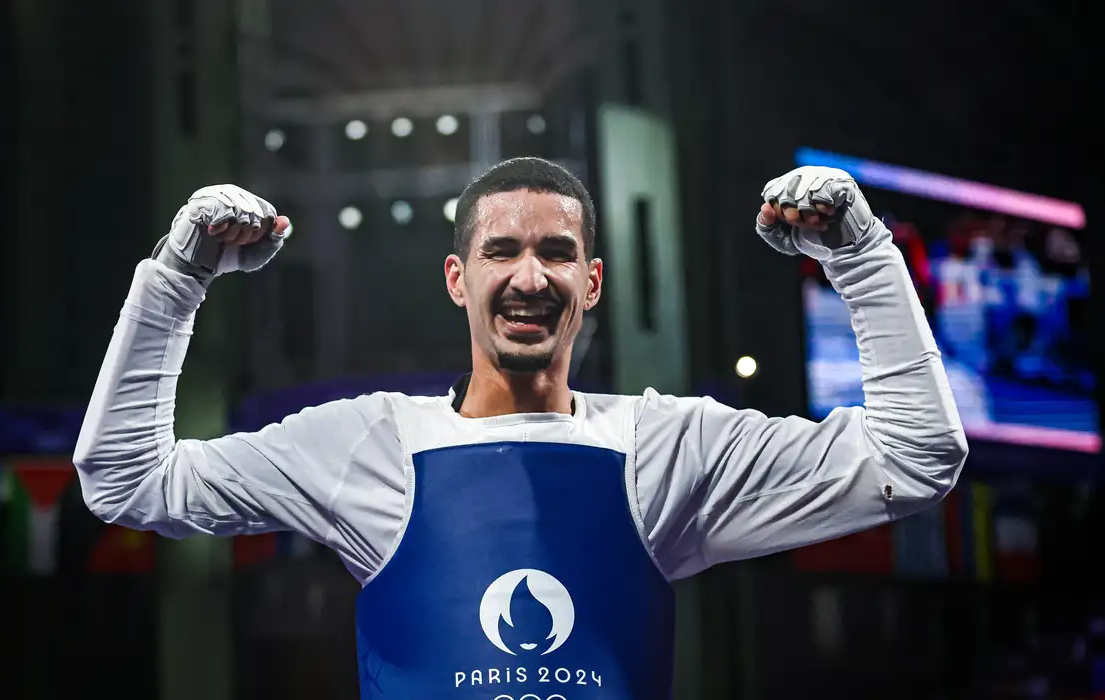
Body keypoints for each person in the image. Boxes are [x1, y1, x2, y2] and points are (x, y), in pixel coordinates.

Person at [74, 158, 967, 699]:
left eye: (557, 253)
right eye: (502, 251)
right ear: (458, 279)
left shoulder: (667, 447)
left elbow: (916, 458)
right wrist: (178, 278)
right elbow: (125, 480)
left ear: (593, 283)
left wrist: (861, 257)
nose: (530, 277)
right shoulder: (369, 443)